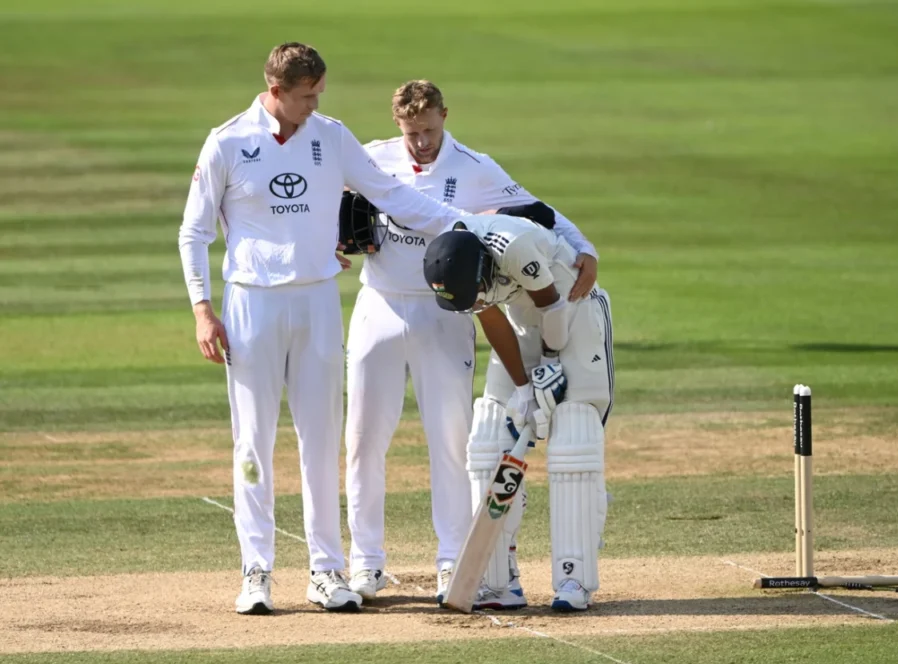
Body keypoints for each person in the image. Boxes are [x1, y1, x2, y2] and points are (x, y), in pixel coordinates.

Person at [178, 44, 471, 615]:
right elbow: (193, 233)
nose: (316, 104)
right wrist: (202, 309)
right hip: (251, 305)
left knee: (320, 444)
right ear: (277, 89)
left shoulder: (330, 136)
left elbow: (392, 195)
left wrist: (466, 225)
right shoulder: (228, 141)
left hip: (316, 303)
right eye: (307, 95)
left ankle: (326, 571)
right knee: (252, 445)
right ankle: (256, 572)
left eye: (319, 93)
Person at [343, 80, 599, 609]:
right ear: (398, 124)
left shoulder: (474, 166)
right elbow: (329, 204)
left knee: (452, 441)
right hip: (379, 305)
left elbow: (537, 210)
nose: (421, 143)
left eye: (430, 130)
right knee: (364, 439)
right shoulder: (372, 158)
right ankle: (365, 563)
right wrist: (334, 241)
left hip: (446, 312)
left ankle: (451, 562)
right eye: (412, 133)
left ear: (444, 117)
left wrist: (583, 248)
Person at [423, 214, 613, 611]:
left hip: (574, 316)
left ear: (481, 267)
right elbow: (492, 320)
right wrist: (525, 389)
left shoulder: (513, 246)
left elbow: (554, 309)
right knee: (490, 436)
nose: (474, 298)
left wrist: (548, 368)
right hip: (525, 324)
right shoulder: (455, 263)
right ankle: (496, 582)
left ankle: (573, 578)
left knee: (573, 434)